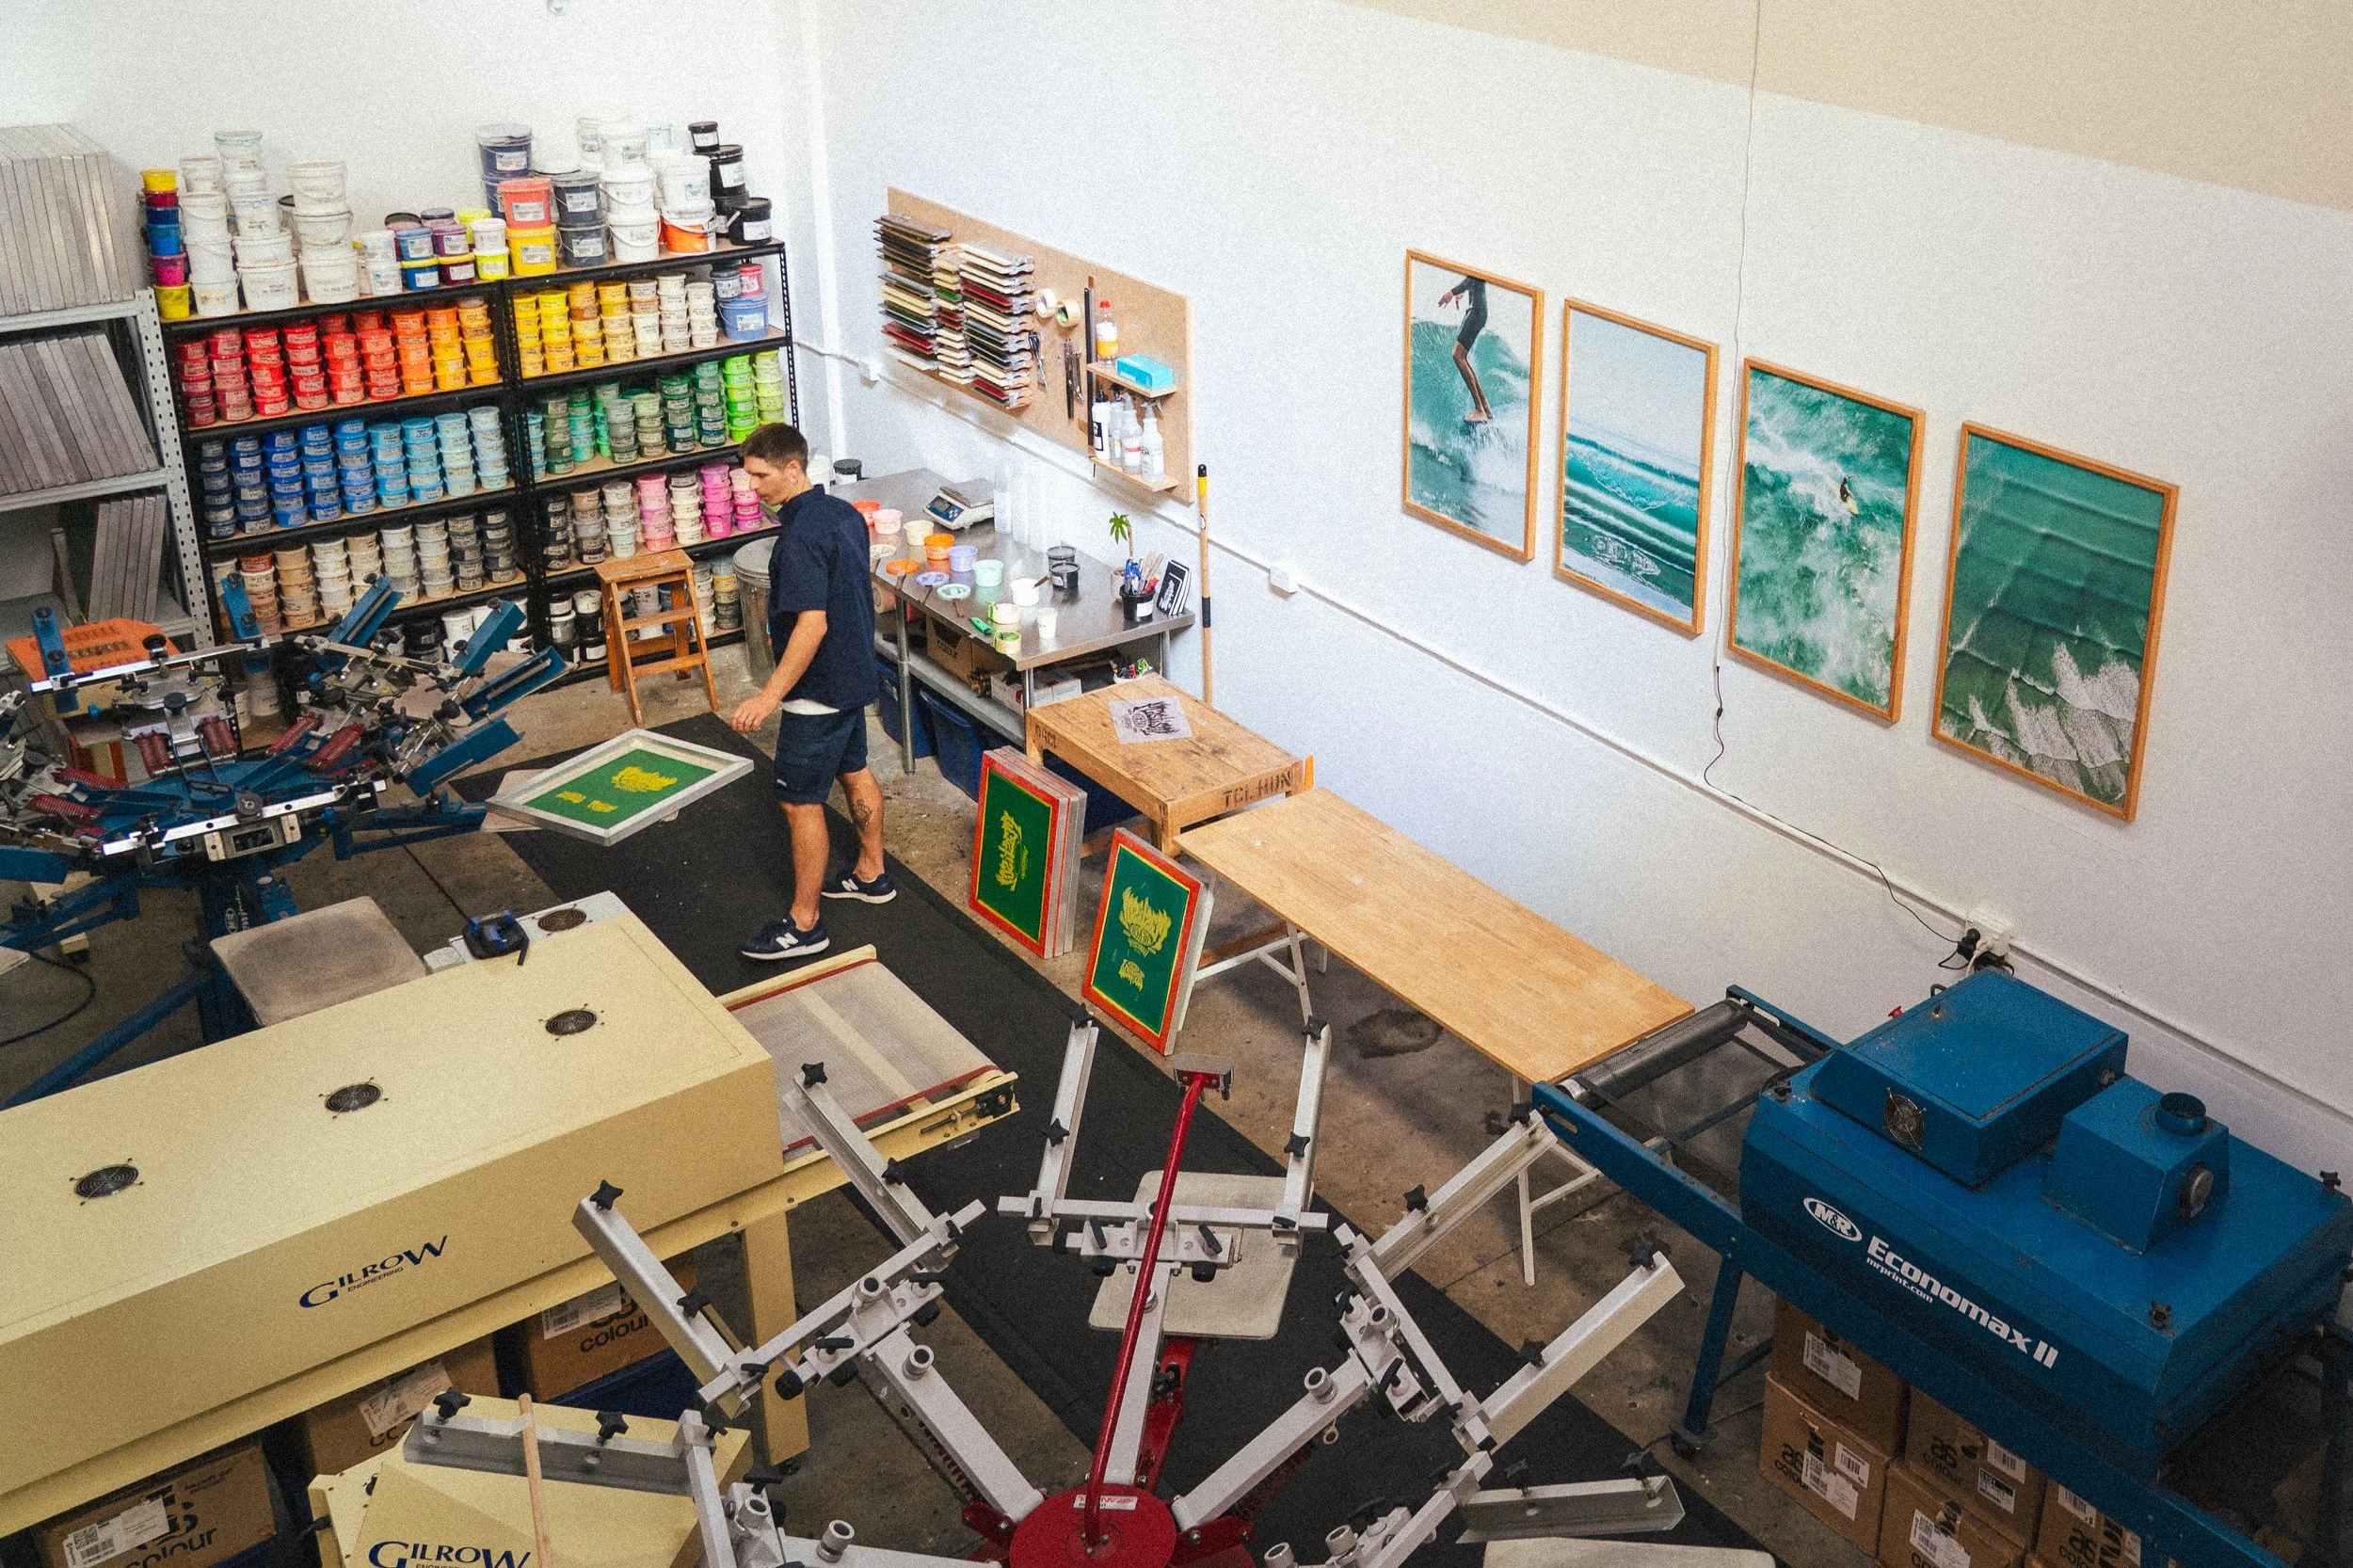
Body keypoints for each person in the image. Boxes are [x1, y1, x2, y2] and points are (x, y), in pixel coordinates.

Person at [728, 424, 895, 961]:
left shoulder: (797, 539)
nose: (752, 487)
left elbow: (811, 625)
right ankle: (872, 873)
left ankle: (804, 925)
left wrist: (768, 697)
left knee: (800, 802)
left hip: (816, 692)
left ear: (794, 469)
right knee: (855, 769)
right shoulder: (844, 515)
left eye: (761, 475)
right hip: (854, 679)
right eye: (748, 474)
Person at [1436, 274, 1493, 424]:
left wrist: (1452, 292)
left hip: (1476, 311)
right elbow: (1473, 281)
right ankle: (1485, 407)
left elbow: (1473, 279)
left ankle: (1480, 410)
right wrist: (1462, 291)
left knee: (1457, 355)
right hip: (1476, 310)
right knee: (1462, 357)